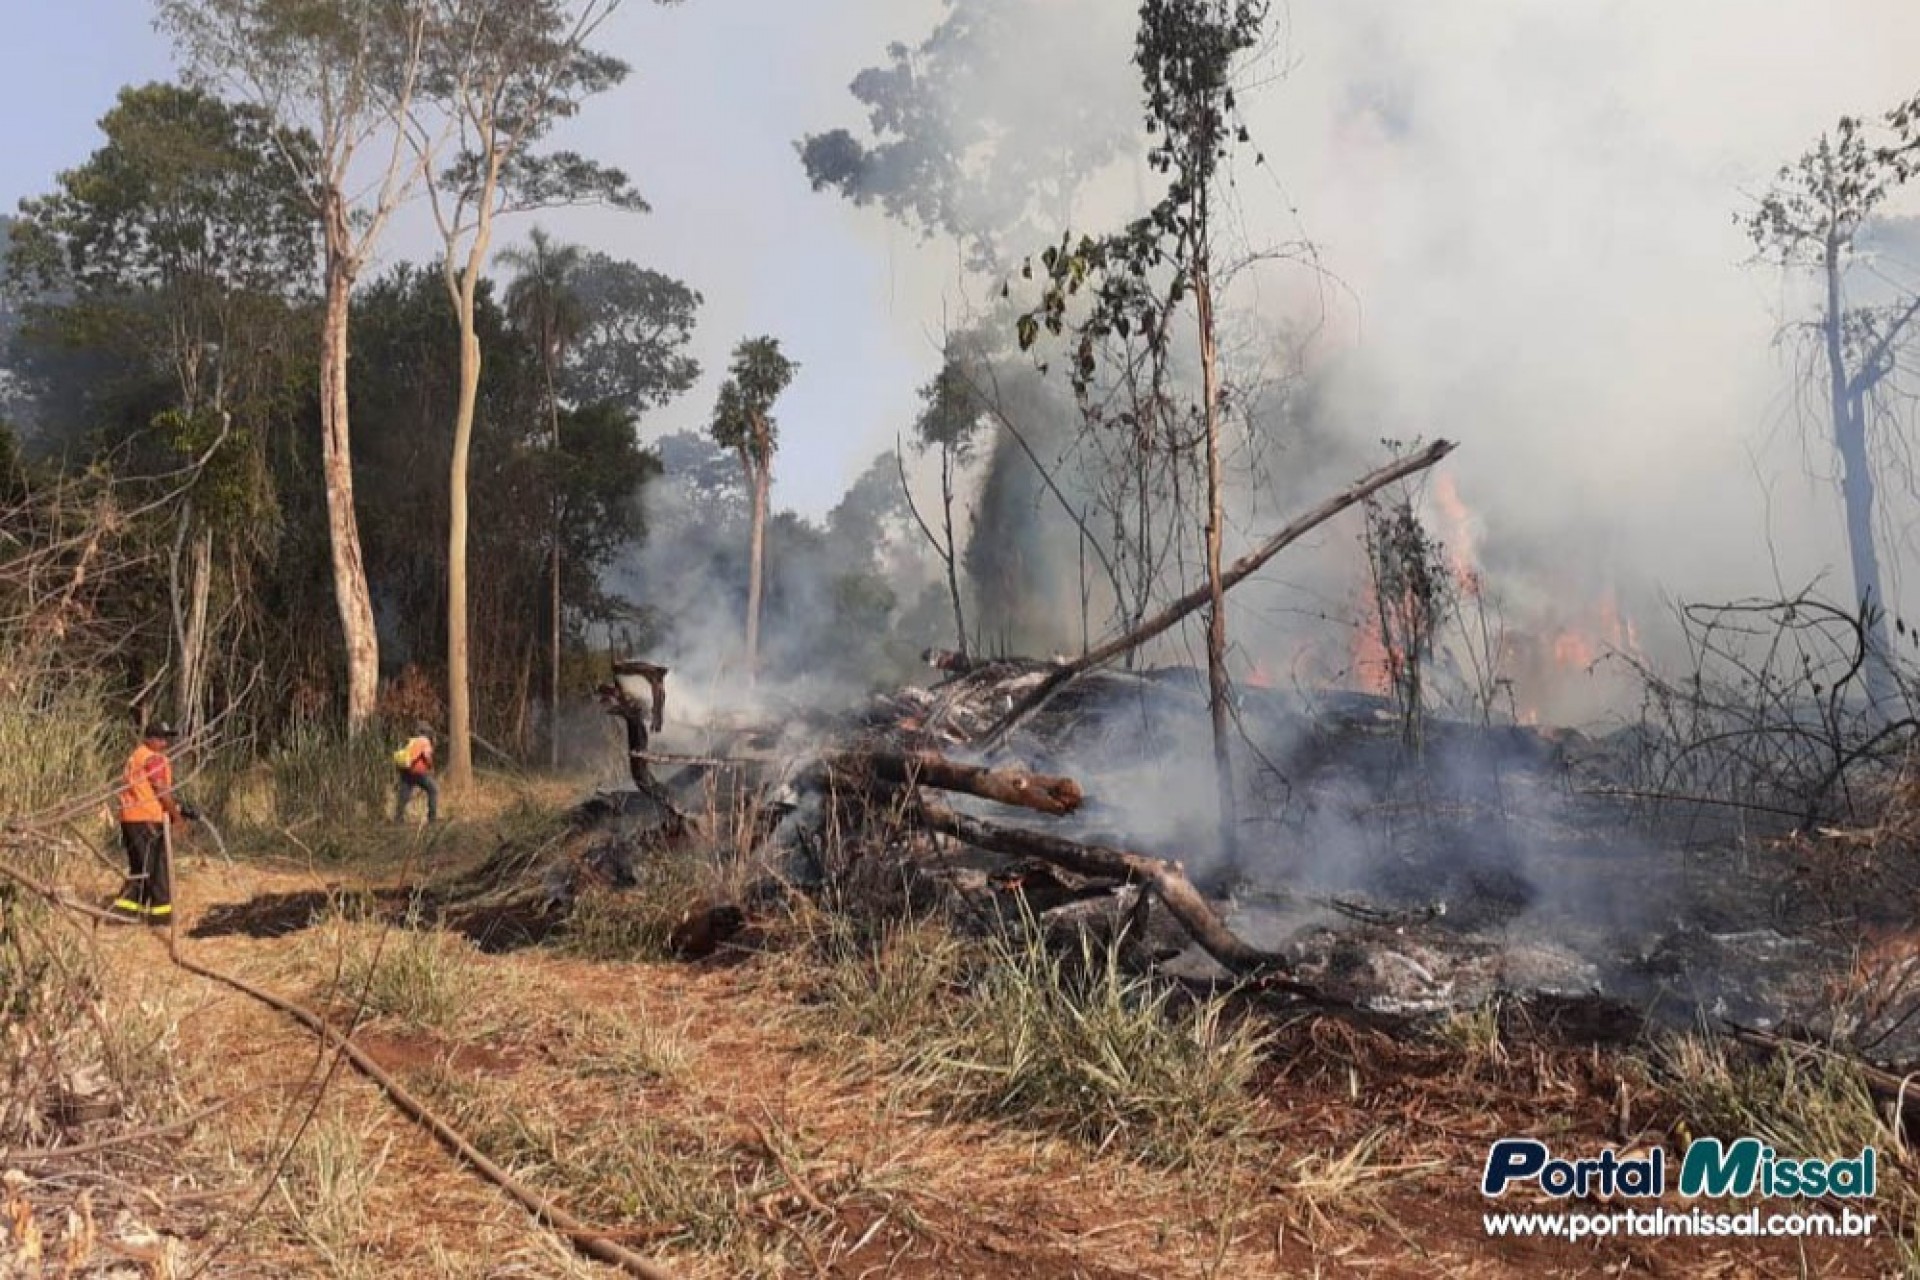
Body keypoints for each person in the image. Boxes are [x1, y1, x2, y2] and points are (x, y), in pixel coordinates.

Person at [112, 721, 197, 925]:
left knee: (140, 868)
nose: (164, 743)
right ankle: (161, 916)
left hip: (131, 819)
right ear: (149, 738)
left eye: (166, 738)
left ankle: (125, 913)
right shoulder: (153, 758)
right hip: (146, 820)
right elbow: (160, 790)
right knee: (157, 868)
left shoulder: (136, 756)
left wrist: (177, 808)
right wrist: (177, 818)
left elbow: (147, 791)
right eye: (160, 738)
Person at [394, 722, 439, 823]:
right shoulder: (424, 741)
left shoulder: (412, 741)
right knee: (433, 790)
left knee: (404, 795)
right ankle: (432, 817)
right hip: (418, 772)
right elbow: (427, 757)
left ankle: (398, 817)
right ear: (427, 732)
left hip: (405, 771)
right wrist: (431, 766)